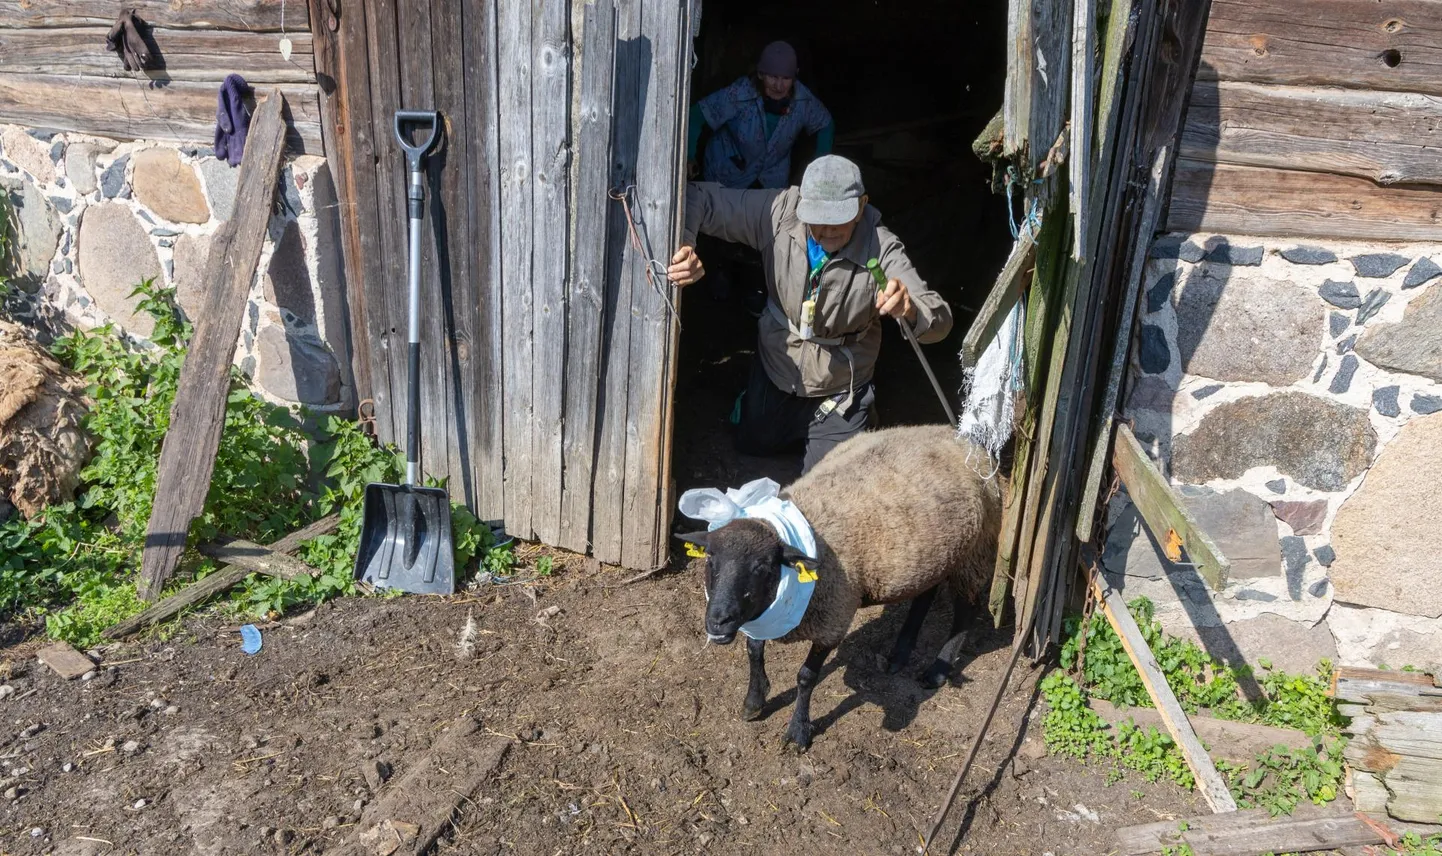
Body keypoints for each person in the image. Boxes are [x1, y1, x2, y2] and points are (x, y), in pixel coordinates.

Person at [666, 155, 953, 474]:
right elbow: (697, 197)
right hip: (778, 364)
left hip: (840, 386)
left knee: (825, 484)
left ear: (861, 206)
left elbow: (939, 321)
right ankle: (757, 406)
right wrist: (686, 244)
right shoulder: (780, 211)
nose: (827, 230)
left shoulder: (882, 247)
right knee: (753, 443)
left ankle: (858, 418)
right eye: (817, 217)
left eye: (838, 218)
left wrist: (909, 307)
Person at [687, 41, 834, 314]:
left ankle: (756, 285)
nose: (779, 85)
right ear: (760, 74)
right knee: (723, 224)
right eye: (773, 77)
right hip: (729, 170)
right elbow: (698, 115)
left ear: (795, 76)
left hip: (770, 176)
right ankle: (720, 272)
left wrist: (820, 168)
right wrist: (688, 156)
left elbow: (825, 124)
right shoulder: (738, 94)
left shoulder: (802, 101)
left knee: (766, 229)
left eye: (786, 78)